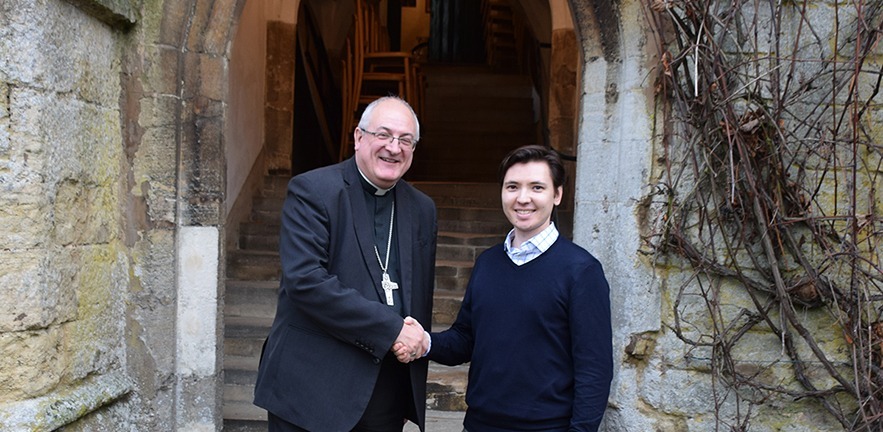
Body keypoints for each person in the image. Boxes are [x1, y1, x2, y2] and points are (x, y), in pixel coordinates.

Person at [397, 145, 613, 431]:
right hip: (478, 424)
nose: (523, 198)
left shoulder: (582, 271)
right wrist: (425, 342)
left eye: (537, 187)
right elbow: (465, 339)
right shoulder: (488, 263)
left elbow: (594, 370)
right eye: (513, 187)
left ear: (557, 194)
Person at [254, 96, 436, 432]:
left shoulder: (422, 209)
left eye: (405, 140)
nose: (394, 148)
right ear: (358, 137)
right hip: (312, 388)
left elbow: (418, 296)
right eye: (383, 135)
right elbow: (306, 282)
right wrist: (392, 328)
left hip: (385, 391)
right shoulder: (314, 190)